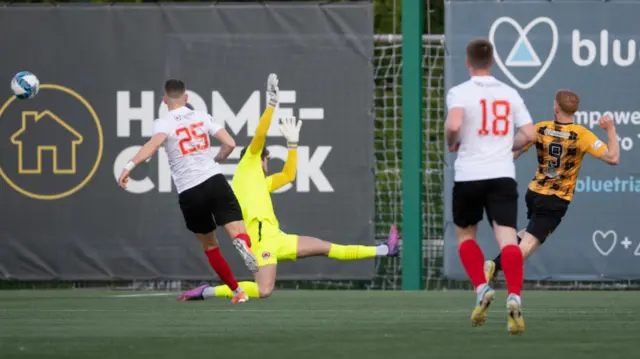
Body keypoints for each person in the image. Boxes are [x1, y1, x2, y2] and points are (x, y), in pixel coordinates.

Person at [177, 74, 400, 301]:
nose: (267, 164)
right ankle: (207, 292)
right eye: (267, 160)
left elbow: (288, 175)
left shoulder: (261, 183)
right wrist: (272, 104)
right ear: (259, 158)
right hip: (260, 239)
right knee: (264, 290)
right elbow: (260, 134)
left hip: (278, 238)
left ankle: (384, 249)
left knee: (326, 247)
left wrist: (293, 145)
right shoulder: (248, 163)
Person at [117, 78, 261, 304]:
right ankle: (243, 244)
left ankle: (237, 292)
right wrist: (218, 157)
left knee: (211, 246)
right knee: (238, 231)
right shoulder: (201, 116)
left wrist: (128, 166)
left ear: (164, 100)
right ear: (187, 98)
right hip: (214, 180)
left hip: (189, 191)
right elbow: (230, 143)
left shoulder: (163, 122)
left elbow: (153, 145)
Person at [445, 39, 535, 335]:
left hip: (469, 175)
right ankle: (514, 296)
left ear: (468, 62)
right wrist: (504, 146)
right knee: (509, 241)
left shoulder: (459, 92)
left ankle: (482, 289)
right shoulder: (509, 93)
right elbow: (529, 134)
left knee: (466, 235)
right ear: (493, 62)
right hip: (501, 175)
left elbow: (454, 123)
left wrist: (451, 142)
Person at [484, 90, 620, 283]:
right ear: (575, 111)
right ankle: (494, 266)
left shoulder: (540, 129)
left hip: (534, 192)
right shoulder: (581, 135)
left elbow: (513, 153)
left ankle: (496, 263)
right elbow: (613, 157)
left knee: (527, 233)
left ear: (556, 108)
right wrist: (610, 129)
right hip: (555, 198)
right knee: (530, 243)